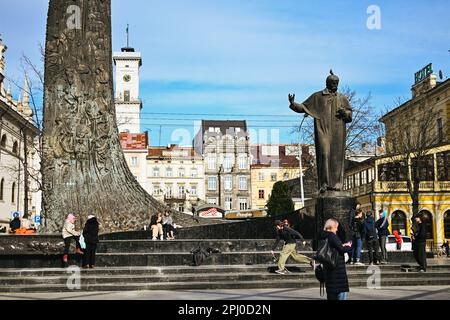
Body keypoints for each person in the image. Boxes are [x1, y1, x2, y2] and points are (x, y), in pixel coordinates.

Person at [321, 218, 352, 300]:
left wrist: (342, 245)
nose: (337, 229)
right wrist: (348, 246)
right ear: (331, 227)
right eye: (336, 227)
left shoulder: (324, 236)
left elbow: (334, 247)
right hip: (338, 273)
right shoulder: (332, 236)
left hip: (329, 272)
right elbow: (341, 249)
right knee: (341, 295)